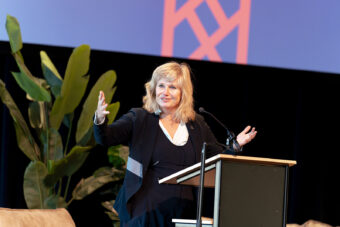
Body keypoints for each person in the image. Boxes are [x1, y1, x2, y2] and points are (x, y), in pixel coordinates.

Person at [93, 61, 257, 227]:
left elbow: (216, 158)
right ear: (153, 89)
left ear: (182, 93)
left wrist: (236, 145)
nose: (165, 92)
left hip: (183, 212)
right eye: (161, 86)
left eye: (172, 87)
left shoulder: (196, 124)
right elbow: (106, 137)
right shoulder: (139, 118)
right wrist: (100, 119)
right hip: (144, 211)